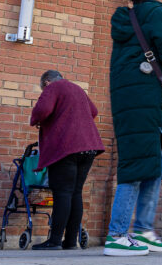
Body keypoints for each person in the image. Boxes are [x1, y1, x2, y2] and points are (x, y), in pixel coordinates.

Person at [104, 0, 162, 256]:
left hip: (127, 96)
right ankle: (117, 235)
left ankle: (143, 230)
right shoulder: (157, 13)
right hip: (146, 93)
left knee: (153, 159)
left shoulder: (125, 19)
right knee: (136, 165)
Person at [28, 70, 106, 250]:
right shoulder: (77, 89)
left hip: (67, 148)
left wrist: (35, 119)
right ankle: (70, 241)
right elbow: (93, 111)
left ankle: (54, 241)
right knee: (75, 193)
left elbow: (42, 110)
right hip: (89, 147)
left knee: (62, 192)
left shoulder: (53, 87)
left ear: (46, 82)